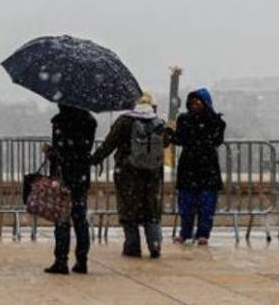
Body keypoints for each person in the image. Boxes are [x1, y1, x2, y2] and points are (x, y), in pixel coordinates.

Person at [93, 91, 166, 260]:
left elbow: (109, 144)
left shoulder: (125, 121)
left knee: (129, 209)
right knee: (151, 210)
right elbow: (165, 143)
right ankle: (155, 244)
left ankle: (132, 247)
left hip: (128, 172)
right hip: (152, 173)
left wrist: (95, 159)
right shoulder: (157, 122)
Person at [45, 103, 97, 274]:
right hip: (81, 176)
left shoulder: (60, 121)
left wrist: (50, 152)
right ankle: (82, 260)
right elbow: (85, 148)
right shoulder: (90, 121)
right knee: (80, 219)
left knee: (62, 220)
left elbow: (60, 152)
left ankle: (61, 260)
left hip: (64, 176)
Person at [171, 88, 225, 245]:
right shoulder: (184, 119)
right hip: (190, 167)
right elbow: (180, 138)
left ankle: (203, 233)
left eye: (198, 102)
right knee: (186, 204)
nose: (195, 105)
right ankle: (185, 232)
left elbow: (216, 140)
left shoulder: (215, 121)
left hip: (206, 167)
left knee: (206, 205)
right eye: (192, 103)